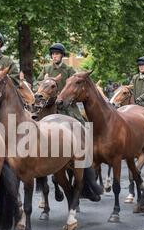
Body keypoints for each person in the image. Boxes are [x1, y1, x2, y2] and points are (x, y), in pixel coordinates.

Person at [37, 43, 102, 202]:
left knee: (82, 124)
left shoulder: (69, 70)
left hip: (67, 107)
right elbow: (38, 85)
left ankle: (86, 157)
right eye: (52, 54)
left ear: (62, 55)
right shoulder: (46, 69)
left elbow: (74, 86)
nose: (54, 56)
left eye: (57, 54)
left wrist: (63, 96)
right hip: (49, 106)